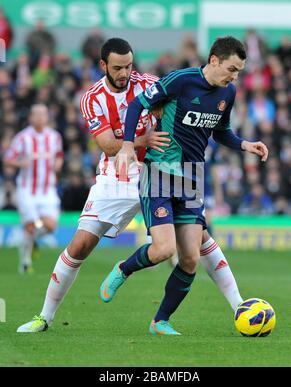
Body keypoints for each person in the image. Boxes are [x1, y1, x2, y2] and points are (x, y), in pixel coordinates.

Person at [17, 38, 243, 333]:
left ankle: (241, 307)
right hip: (118, 176)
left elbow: (180, 102)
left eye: (129, 66)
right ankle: (44, 317)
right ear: (103, 66)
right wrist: (141, 140)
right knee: (80, 245)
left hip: (163, 169)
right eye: (118, 68)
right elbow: (108, 146)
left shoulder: (148, 82)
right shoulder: (92, 98)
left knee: (198, 239)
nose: (125, 73)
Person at [100, 36, 269, 335]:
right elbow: (139, 103)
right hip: (161, 171)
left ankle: (160, 321)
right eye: (232, 68)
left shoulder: (227, 93)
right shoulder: (181, 80)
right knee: (164, 249)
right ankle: (123, 269)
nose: (235, 76)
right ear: (214, 60)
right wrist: (127, 145)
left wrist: (245, 144)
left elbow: (221, 132)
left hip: (192, 177)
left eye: (240, 71)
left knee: (190, 258)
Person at [4, 104, 64, 273]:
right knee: (32, 225)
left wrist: (58, 164)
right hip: (27, 190)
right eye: (36, 114)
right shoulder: (22, 138)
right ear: (30, 117)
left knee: (50, 226)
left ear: (47, 117)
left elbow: (59, 154)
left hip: (47, 189)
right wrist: (20, 163)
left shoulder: (54, 137)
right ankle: (25, 262)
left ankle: (31, 243)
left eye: (43, 114)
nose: (39, 118)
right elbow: (8, 158)